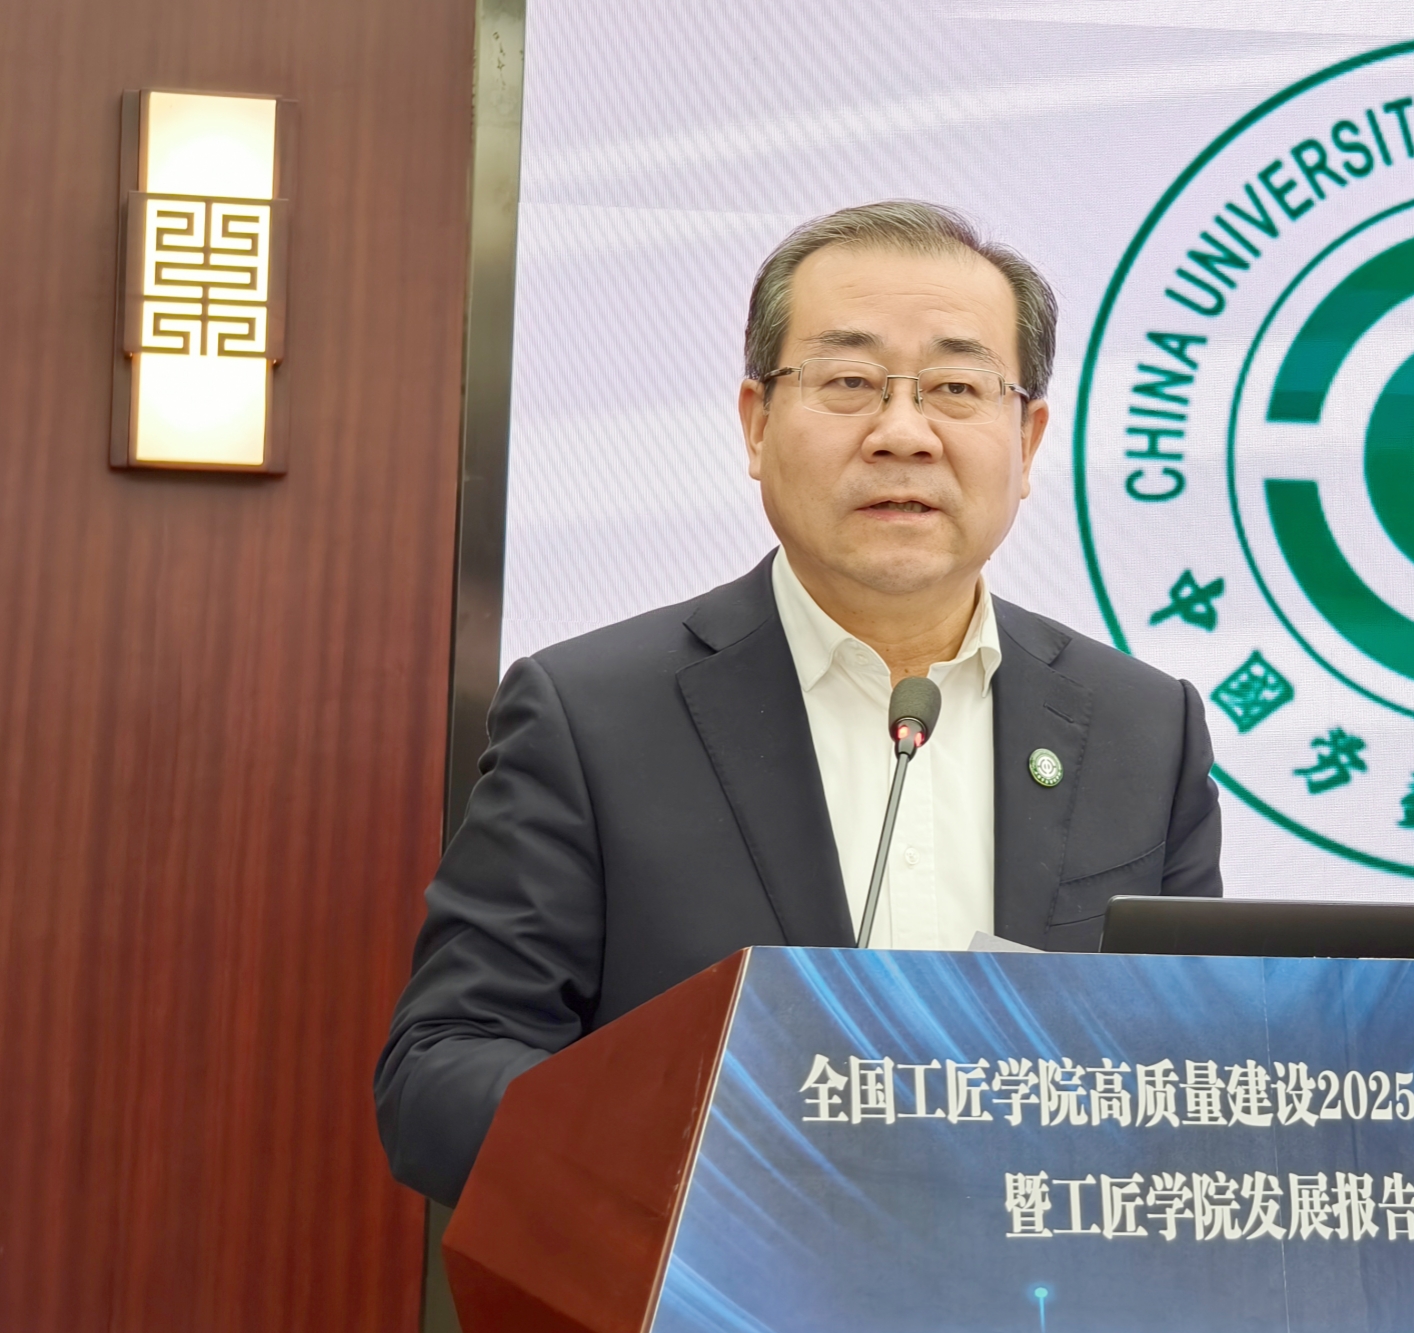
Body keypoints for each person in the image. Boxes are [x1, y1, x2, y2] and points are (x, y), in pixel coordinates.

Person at [374, 201, 1223, 1205]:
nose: (902, 434)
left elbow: (1202, 1068)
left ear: (1027, 439)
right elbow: (442, 1070)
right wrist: (716, 1148)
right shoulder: (592, 715)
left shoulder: (1143, 728)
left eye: (956, 387)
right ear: (757, 422)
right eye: (848, 382)